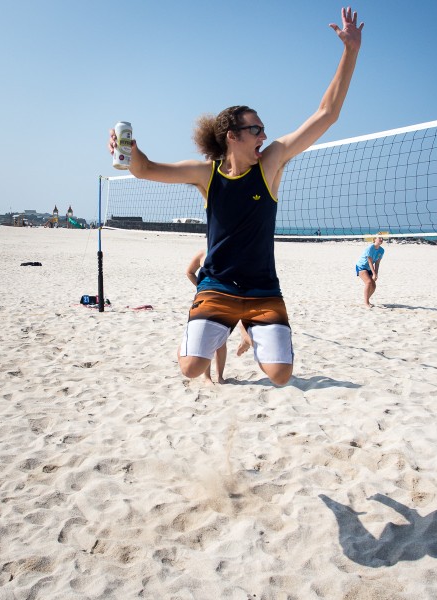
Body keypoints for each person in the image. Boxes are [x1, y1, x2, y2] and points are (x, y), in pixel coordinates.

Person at [109, 7, 364, 386]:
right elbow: (145, 169)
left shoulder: (271, 163)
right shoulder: (204, 175)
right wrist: (128, 149)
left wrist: (351, 51)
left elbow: (326, 114)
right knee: (192, 369)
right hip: (216, 288)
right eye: (256, 128)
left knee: (280, 375)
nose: (264, 135)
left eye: (264, 129)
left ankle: (244, 326)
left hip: (263, 290)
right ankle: (212, 328)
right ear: (233, 135)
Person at [185, 249, 251, 384]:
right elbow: (190, 272)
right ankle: (210, 377)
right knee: (212, 339)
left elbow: (189, 273)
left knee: (218, 340)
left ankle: (216, 377)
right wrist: (201, 287)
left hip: (223, 299)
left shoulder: (234, 253)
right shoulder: (207, 252)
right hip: (214, 299)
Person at [355, 234, 384, 308]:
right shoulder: (370, 247)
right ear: (374, 239)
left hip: (369, 268)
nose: (381, 239)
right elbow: (370, 261)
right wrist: (373, 273)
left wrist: (376, 274)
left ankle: (367, 300)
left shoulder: (382, 250)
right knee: (368, 282)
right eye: (379, 238)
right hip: (361, 266)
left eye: (382, 238)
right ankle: (366, 303)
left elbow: (377, 263)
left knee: (373, 286)